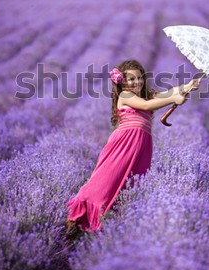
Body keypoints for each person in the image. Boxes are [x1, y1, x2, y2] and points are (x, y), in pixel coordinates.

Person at [66, 59, 200, 234]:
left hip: (142, 145)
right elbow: (146, 106)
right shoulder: (125, 96)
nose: (136, 82)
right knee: (107, 179)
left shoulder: (146, 95)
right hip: (124, 143)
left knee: (132, 182)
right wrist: (174, 99)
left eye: (139, 78)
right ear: (122, 82)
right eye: (131, 79)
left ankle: (112, 223)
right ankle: (76, 218)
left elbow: (164, 94)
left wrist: (186, 86)